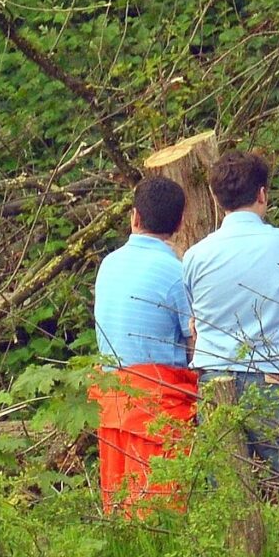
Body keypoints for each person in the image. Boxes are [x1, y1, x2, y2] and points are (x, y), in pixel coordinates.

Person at [182, 150, 279, 486]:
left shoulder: (195, 255)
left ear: (216, 198)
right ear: (262, 194)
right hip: (272, 378)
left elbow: (193, 322)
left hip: (214, 379)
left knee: (225, 492)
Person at [91, 175, 199, 512]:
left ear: (134, 217)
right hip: (157, 403)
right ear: (181, 223)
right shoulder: (176, 272)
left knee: (121, 505)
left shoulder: (108, 265)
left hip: (112, 398)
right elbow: (196, 343)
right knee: (160, 510)